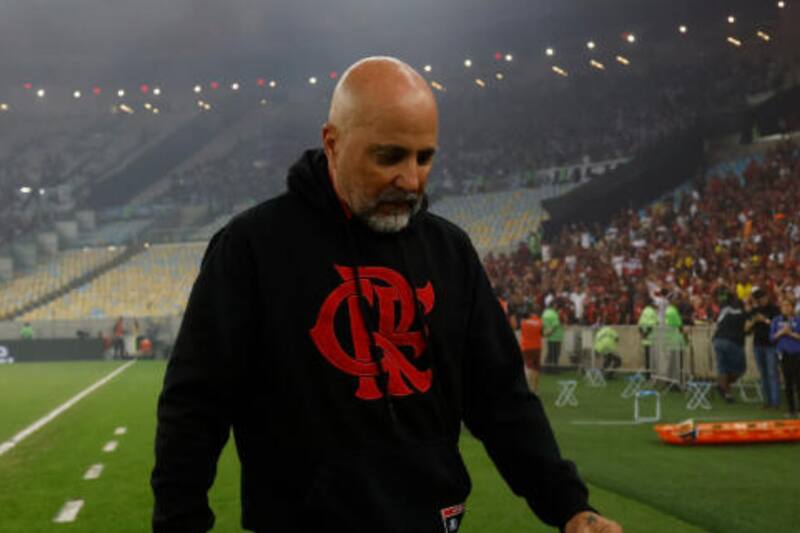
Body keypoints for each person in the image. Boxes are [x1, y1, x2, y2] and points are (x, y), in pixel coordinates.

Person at [151, 57, 621, 533]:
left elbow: (501, 399)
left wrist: (569, 507)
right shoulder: (252, 247)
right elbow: (195, 406)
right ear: (332, 144)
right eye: (389, 156)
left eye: (424, 157)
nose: (412, 179)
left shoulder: (450, 252)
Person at [746, 288, 781, 409]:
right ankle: (767, 401)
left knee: (772, 373)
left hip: (771, 345)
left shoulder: (774, 310)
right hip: (757, 344)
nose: (762, 300)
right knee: (763, 374)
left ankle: (775, 402)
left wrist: (765, 320)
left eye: (763, 297)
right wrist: (753, 321)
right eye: (759, 298)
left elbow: (778, 327)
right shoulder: (755, 311)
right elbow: (746, 330)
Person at [712, 289, 747, 403]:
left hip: (718, 340)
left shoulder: (724, 309)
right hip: (733, 341)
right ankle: (723, 386)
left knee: (723, 369)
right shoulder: (742, 313)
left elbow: (717, 321)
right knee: (740, 369)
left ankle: (727, 394)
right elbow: (746, 328)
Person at [770, 297, 800, 418]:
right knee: (787, 383)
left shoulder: (798, 320)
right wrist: (782, 332)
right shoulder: (776, 320)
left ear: (793, 308)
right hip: (784, 354)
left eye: (788, 305)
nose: (785, 308)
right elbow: (772, 338)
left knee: (799, 383)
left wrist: (790, 333)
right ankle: (791, 410)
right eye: (783, 306)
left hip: (797, 354)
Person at [519, 308, 543, 391]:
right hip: (537, 347)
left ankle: (529, 387)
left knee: (529, 367)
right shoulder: (539, 321)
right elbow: (542, 333)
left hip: (526, 347)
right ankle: (535, 388)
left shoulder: (523, 323)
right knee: (536, 368)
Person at [637, 301, 658, 378]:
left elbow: (639, 325)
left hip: (645, 340)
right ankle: (652, 374)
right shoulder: (652, 312)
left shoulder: (644, 312)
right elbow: (654, 324)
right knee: (652, 358)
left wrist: (643, 334)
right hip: (652, 339)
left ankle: (647, 375)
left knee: (647, 358)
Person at [542, 303, 564, 367]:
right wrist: (550, 332)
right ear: (554, 306)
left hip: (549, 337)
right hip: (556, 336)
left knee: (550, 352)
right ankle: (553, 368)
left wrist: (546, 333)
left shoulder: (544, 313)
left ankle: (547, 367)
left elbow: (543, 324)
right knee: (555, 354)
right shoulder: (554, 314)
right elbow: (555, 325)